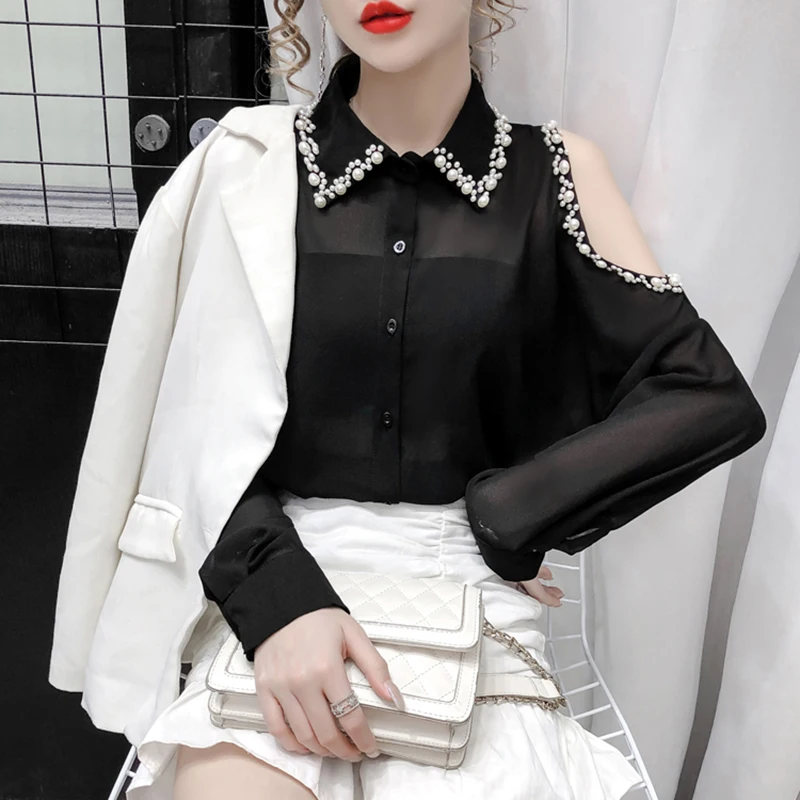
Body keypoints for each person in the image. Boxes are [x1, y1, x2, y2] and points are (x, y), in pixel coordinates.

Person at [49, 1, 767, 798]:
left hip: (471, 607)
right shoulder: (243, 168)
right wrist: (278, 603)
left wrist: (514, 511)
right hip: (271, 583)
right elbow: (189, 432)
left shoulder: (558, 175)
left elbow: (705, 394)